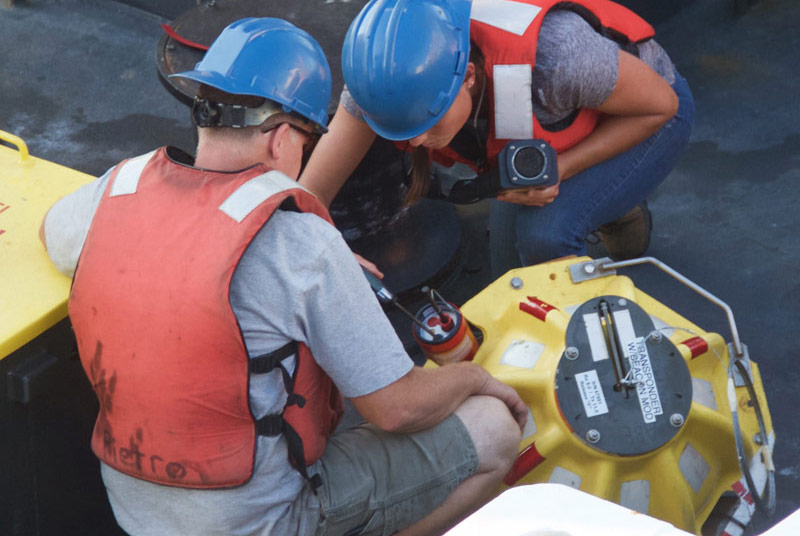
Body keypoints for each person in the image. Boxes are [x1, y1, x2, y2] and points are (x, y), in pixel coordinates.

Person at [40, 17, 526, 536]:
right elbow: (397, 410)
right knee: (494, 430)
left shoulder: (120, 186)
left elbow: (53, 232)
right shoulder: (299, 245)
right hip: (261, 522)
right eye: (309, 139)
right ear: (279, 140)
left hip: (135, 512)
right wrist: (477, 378)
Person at [300, 0, 695, 277]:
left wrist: (559, 170)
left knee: (544, 239)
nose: (417, 144)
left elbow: (662, 105)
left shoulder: (558, 58)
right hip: (556, 119)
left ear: (469, 76)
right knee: (509, 277)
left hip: (648, 112)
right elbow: (304, 196)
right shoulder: (381, 79)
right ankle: (608, 202)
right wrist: (329, 253)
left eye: (428, 122)